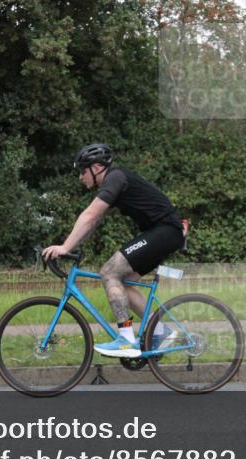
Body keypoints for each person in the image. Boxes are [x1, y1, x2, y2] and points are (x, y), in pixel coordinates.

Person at [41, 143, 185, 358]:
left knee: (109, 272)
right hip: (164, 232)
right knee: (123, 282)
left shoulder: (115, 178)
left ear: (96, 167)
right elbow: (92, 222)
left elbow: (89, 215)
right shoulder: (114, 182)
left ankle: (126, 340)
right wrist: (70, 248)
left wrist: (64, 247)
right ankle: (160, 331)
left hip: (165, 231)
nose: (80, 177)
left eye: (83, 171)